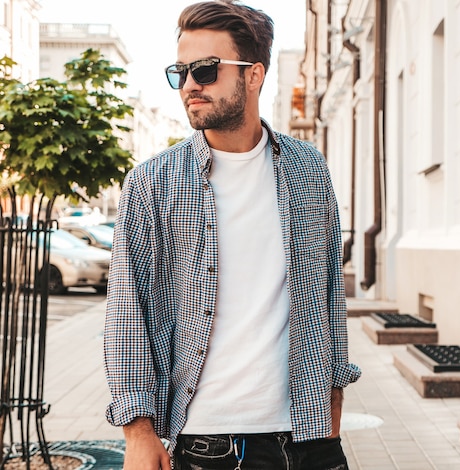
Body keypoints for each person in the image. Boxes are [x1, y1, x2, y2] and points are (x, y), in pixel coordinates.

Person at [103, 1, 361, 469]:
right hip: (208, 442)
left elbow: (327, 292)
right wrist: (137, 430)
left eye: (205, 69)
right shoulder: (154, 182)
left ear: (255, 75)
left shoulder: (309, 170)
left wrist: (335, 390)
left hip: (308, 434)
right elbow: (127, 309)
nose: (190, 86)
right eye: (180, 72)